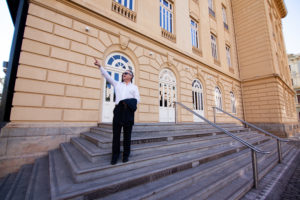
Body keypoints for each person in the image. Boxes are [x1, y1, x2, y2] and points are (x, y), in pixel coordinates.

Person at [94, 58, 140, 165]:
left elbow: (138, 99)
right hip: (118, 110)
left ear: (131, 76)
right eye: (123, 73)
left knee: (127, 136)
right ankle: (115, 156)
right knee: (116, 135)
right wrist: (100, 66)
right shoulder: (117, 84)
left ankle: (125, 156)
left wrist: (127, 102)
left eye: (126, 73)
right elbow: (107, 76)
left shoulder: (134, 87)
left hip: (128, 111)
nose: (124, 74)